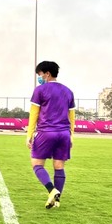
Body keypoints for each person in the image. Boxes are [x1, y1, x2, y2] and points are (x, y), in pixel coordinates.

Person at [26, 61, 75, 209]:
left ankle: (52, 191)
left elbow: (34, 113)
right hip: (64, 134)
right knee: (59, 166)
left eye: (40, 75)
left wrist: (29, 134)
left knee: (36, 164)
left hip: (46, 132)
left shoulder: (40, 90)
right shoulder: (68, 91)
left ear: (47, 74)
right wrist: (71, 135)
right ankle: (57, 200)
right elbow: (71, 116)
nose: (39, 78)